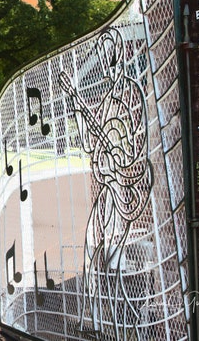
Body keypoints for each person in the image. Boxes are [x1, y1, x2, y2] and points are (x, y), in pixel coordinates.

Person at [59, 28, 153, 339]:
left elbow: (129, 146)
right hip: (108, 192)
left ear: (119, 60)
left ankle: (126, 325)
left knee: (114, 260)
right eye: (103, 59)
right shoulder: (106, 102)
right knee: (91, 248)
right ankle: (96, 322)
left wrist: (113, 153)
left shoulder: (128, 93)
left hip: (119, 191)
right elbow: (91, 143)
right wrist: (76, 101)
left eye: (110, 58)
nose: (107, 64)